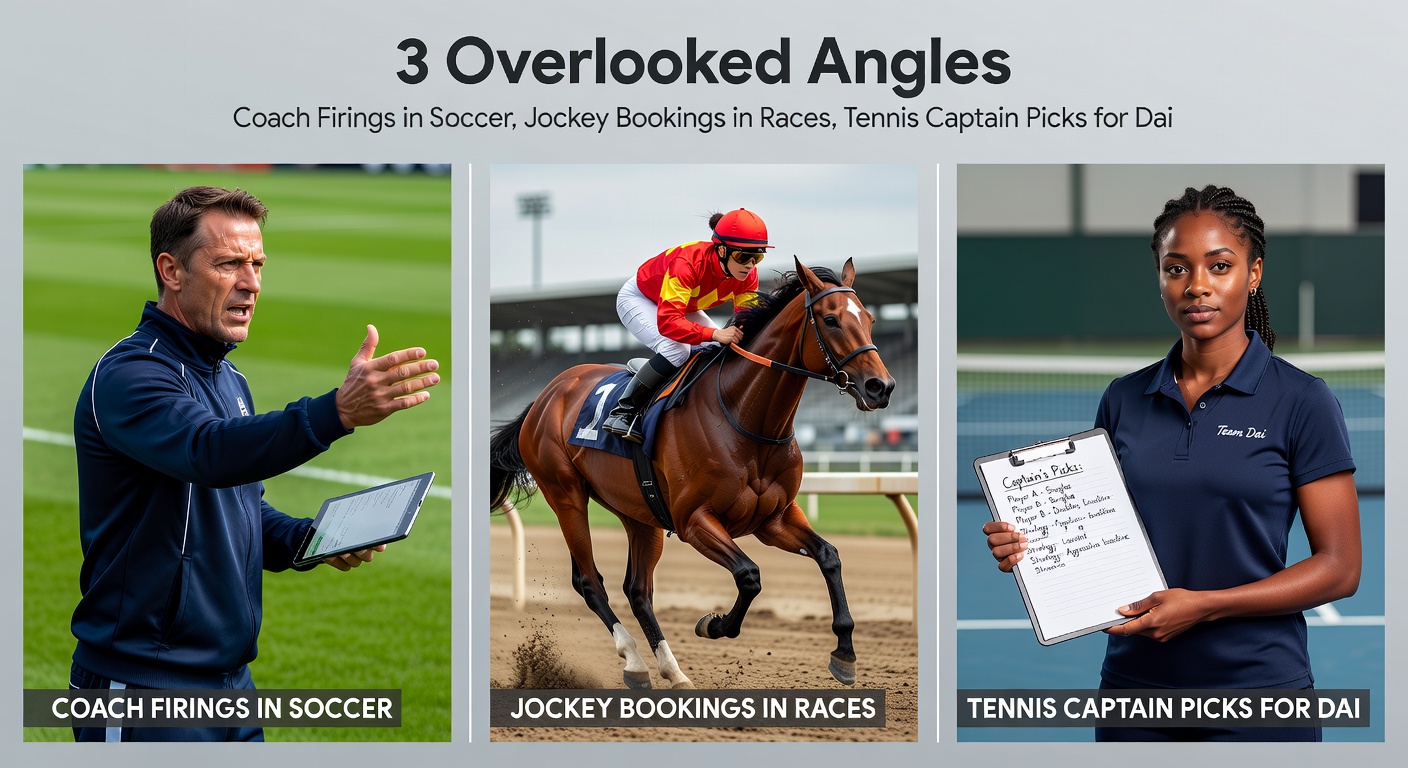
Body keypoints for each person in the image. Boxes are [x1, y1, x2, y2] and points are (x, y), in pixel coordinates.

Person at [982, 185, 1361, 742]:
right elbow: (1096, 530)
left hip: (1257, 695)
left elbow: (1340, 568)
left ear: (1253, 274)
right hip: (1134, 695)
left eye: (1220, 266)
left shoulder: (1304, 401)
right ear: (1160, 277)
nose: (1197, 285)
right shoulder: (1122, 398)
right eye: (1176, 268)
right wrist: (1032, 544)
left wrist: (1204, 607)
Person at [69, 186, 441, 741]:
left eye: (258, 264)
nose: (251, 284)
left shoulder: (227, 378)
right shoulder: (130, 376)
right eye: (229, 264)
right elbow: (208, 453)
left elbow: (238, 508)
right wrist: (335, 413)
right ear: (171, 270)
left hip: (230, 689)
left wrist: (307, 540)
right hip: (143, 690)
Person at [602, 208, 769, 442]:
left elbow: (745, 321)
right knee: (677, 349)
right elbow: (669, 323)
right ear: (722, 250)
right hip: (641, 299)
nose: (750, 265)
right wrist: (714, 333)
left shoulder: (749, 276)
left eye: (757, 257)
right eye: (743, 257)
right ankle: (624, 411)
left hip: (683, 306)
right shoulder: (687, 264)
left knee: (725, 347)